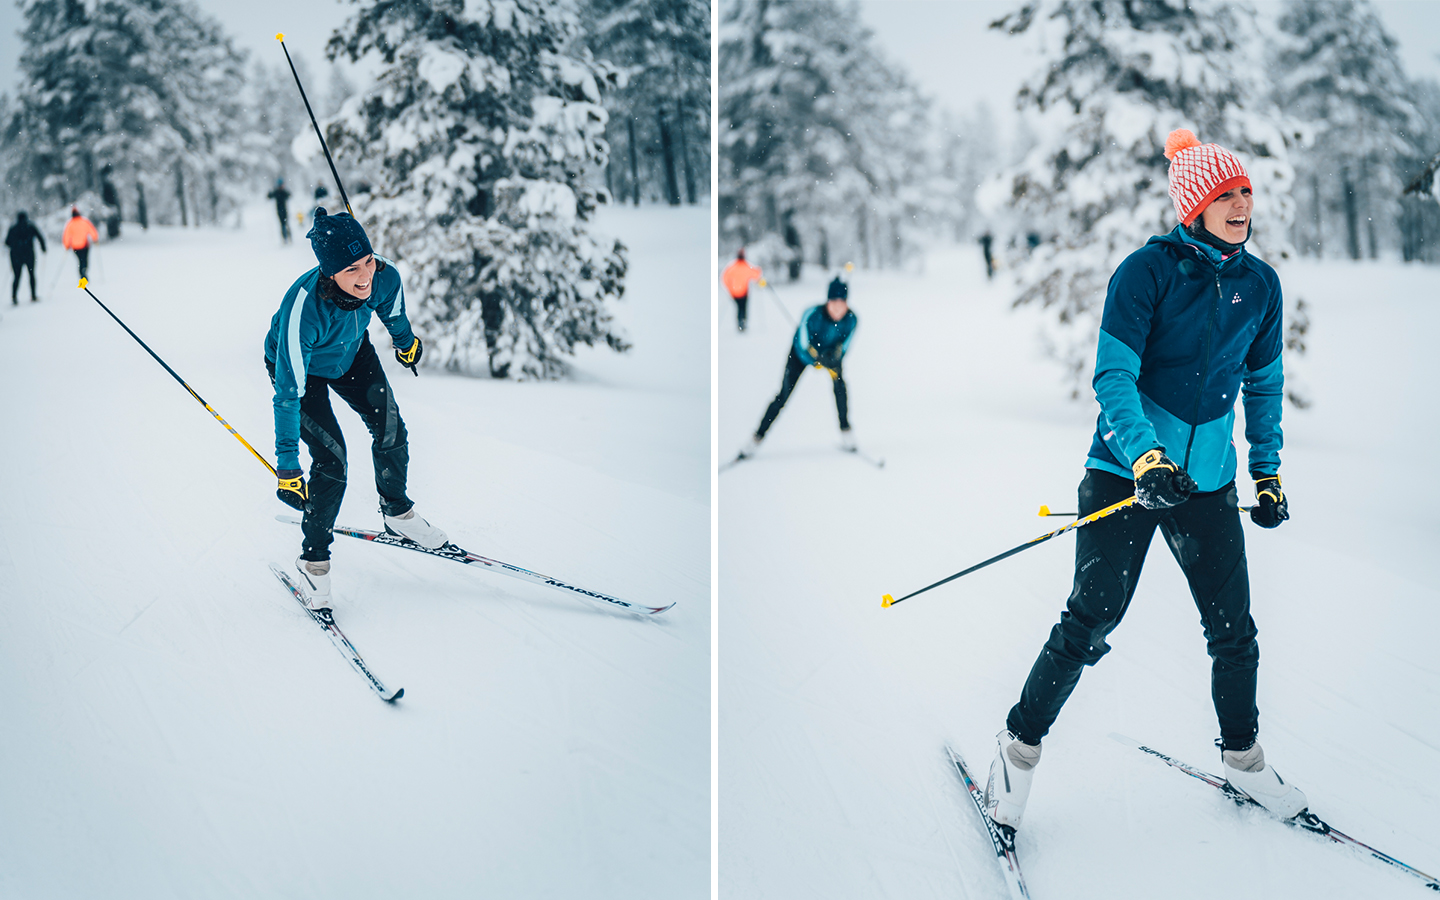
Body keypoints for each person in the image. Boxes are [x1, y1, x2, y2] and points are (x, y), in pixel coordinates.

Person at [984, 129, 1301, 833]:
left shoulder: (1261, 284)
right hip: (1125, 474)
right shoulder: (1146, 272)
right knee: (1091, 618)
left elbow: (1265, 384)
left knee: (1234, 634)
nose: (1242, 203)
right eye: (1226, 193)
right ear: (1194, 204)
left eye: (1247, 190)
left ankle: (1243, 760)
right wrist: (1146, 456)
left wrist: (1268, 472)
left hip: (1209, 481)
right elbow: (1114, 376)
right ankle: (1017, 748)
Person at [264, 208, 444, 610]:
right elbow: (288, 392)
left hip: (350, 354)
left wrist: (405, 343)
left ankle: (397, 513)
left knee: (391, 428)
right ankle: (314, 563)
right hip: (301, 370)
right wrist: (288, 465)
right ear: (329, 274)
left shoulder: (382, 275)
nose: (364, 276)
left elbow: (392, 312)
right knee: (332, 461)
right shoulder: (302, 311)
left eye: (366, 261)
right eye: (350, 269)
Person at [740, 275, 858, 457]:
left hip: (830, 359)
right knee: (783, 395)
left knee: (840, 387)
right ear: (827, 301)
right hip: (800, 356)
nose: (837, 307)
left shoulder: (851, 319)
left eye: (842, 302)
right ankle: (756, 438)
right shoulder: (812, 313)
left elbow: (845, 346)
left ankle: (846, 431)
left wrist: (834, 357)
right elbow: (803, 342)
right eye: (833, 301)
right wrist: (816, 356)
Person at [6, 211, 47, 304]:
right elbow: (40, 237)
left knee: (17, 276)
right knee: (31, 275)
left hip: (16, 256)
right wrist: (43, 247)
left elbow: (7, 242)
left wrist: (16, 245)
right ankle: (33, 295)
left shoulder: (13, 228)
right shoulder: (30, 226)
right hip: (29, 254)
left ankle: (14, 297)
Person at [721, 248, 762, 332]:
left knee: (739, 308)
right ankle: (742, 324)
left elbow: (724, 278)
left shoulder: (732, 267)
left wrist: (730, 289)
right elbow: (756, 275)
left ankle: (740, 324)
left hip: (734, 293)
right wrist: (758, 269)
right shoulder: (746, 266)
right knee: (743, 308)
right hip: (743, 292)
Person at [61, 207, 99, 281]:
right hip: (85, 245)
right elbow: (92, 230)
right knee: (85, 260)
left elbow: (66, 235)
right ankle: (84, 271)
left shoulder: (70, 224)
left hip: (75, 247)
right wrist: (95, 238)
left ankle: (82, 273)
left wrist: (66, 245)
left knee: (80, 260)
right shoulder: (84, 221)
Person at [267, 178, 292, 243]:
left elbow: (289, 195)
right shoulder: (277, 192)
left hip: (284, 210)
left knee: (285, 224)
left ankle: (288, 237)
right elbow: (269, 196)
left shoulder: (282, 192)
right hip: (280, 210)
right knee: (283, 224)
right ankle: (285, 237)